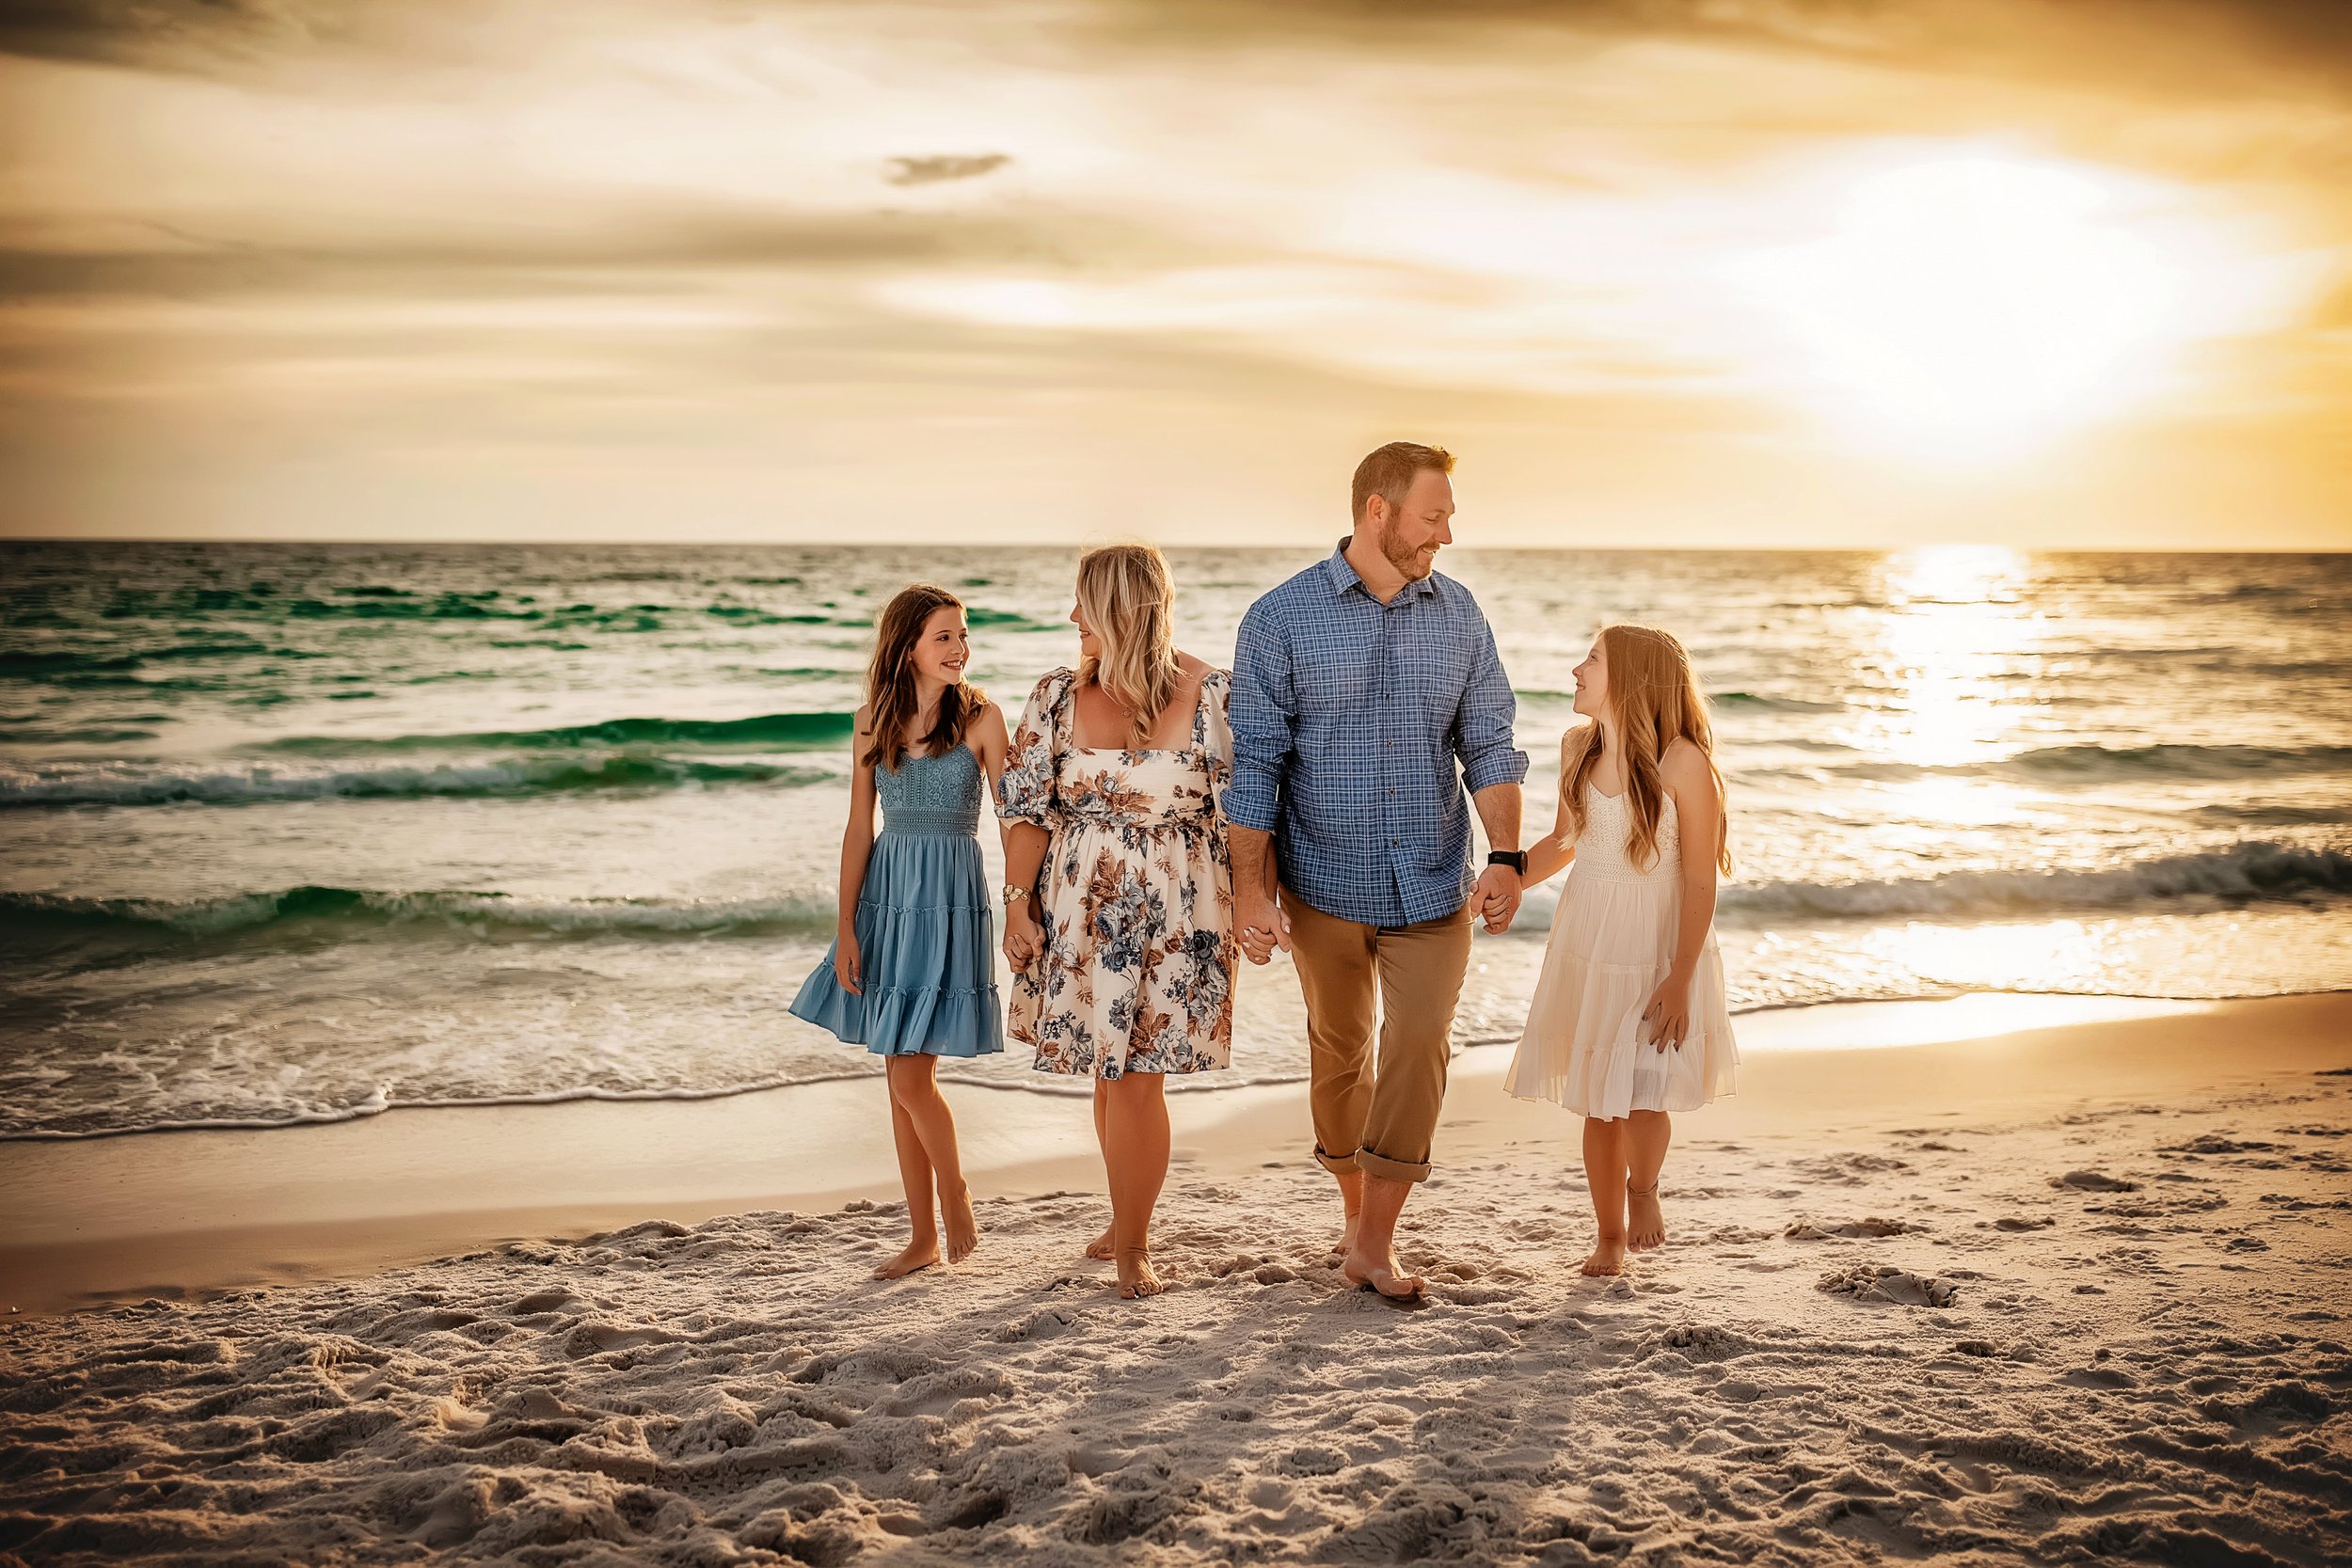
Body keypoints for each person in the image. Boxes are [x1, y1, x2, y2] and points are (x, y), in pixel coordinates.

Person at [1227, 441, 1528, 1300]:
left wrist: (1504, 855)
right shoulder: (1281, 618)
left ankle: (1374, 1239)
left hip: (1432, 880)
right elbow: (1257, 768)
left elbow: (1491, 744)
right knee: (1340, 1051)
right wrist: (1251, 889)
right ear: (1377, 511)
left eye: (1448, 517)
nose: (1445, 534)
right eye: (1433, 517)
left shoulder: (1460, 615)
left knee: (1423, 1042)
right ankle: (1358, 1215)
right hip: (1321, 882)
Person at [998, 544, 1238, 1300]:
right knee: (1109, 1075)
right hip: (1082, 909)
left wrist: (1265, 903)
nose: (1073, 618)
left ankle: (1133, 1242)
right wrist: (1017, 904)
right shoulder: (1056, 698)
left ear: (1122, 609)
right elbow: (1026, 808)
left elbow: (1243, 813)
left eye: (1084, 603)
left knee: (1138, 1080)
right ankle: (1122, 1217)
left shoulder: (1212, 694)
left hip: (1180, 913)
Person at [789, 584, 1012, 1280]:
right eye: (945, 635)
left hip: (948, 900)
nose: (960, 648)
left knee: (913, 1077)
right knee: (899, 1074)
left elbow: (1016, 819)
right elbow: (860, 830)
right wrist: (846, 926)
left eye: (963, 635)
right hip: (889, 899)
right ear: (907, 643)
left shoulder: (981, 718)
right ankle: (924, 1236)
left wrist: (1025, 904)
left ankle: (955, 1190)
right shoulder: (870, 722)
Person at [1502, 624, 1740, 1276]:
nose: (1577, 669)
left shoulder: (1683, 762)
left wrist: (1682, 975)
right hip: (1589, 939)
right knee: (1595, 1097)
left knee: (1642, 1094)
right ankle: (1608, 1237)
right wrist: (1505, 877)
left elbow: (1697, 877)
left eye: (1593, 660)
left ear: (1631, 678)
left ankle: (1644, 1190)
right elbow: (1562, 841)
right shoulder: (1578, 746)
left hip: (1655, 946)